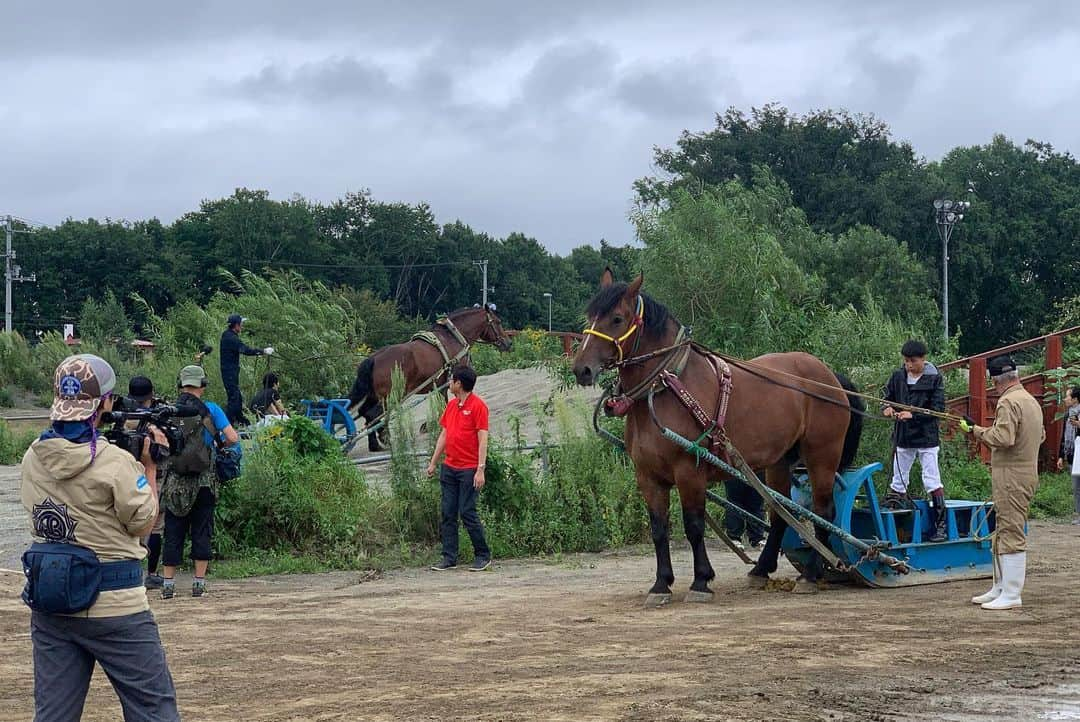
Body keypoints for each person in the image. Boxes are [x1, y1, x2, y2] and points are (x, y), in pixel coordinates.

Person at [20, 354, 179, 720]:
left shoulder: (33, 457)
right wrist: (149, 469)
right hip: (115, 606)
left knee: (54, 714)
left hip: (51, 603)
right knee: (154, 709)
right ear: (105, 403)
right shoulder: (113, 462)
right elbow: (143, 523)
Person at [960, 354, 1044, 610]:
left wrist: (975, 431)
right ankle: (1000, 586)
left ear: (995, 381)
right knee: (1003, 529)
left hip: (1011, 475)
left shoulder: (1007, 402)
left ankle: (1011, 592)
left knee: (1010, 530)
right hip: (1025, 471)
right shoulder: (1029, 400)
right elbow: (1039, 436)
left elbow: (1003, 437)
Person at [160, 365, 239, 599]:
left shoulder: (169, 411)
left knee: (173, 530)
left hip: (176, 481)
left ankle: (168, 585)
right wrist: (218, 446)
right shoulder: (211, 409)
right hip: (205, 481)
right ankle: (198, 583)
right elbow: (233, 438)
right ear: (202, 386)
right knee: (202, 529)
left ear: (180, 384)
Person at [881, 339, 949, 542]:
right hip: (903, 436)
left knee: (931, 479)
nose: (909, 365)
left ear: (923, 359)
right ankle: (894, 522)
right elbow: (886, 396)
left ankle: (941, 526)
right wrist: (887, 407)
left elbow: (938, 409)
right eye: (906, 361)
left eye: (913, 361)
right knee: (898, 478)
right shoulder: (898, 376)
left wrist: (914, 415)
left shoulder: (934, 378)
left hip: (926, 437)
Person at [425, 365, 492, 572]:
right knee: (448, 512)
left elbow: (483, 439)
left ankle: (483, 555)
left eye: (452, 380)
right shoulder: (452, 405)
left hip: (469, 469)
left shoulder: (479, 406)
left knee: (467, 511)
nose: (450, 383)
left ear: (459, 383)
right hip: (450, 466)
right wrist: (434, 462)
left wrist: (480, 469)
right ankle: (449, 557)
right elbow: (444, 435)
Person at [127, 375, 167, 589]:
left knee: (125, 524)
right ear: (151, 394)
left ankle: (129, 570)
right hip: (154, 476)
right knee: (156, 526)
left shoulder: (122, 416)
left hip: (126, 477)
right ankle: (151, 573)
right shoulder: (157, 419)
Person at [219, 314, 273, 427]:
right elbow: (245, 350)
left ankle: (243, 423)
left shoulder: (227, 335)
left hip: (230, 372)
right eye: (241, 324)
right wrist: (263, 351)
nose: (242, 327)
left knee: (237, 399)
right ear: (236, 325)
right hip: (229, 373)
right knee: (234, 400)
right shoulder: (231, 338)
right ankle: (225, 426)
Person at [1054, 386, 1080, 525]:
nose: (1065, 399)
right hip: (1072, 454)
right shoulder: (1068, 414)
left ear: (1075, 399)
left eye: (1067, 396)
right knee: (1076, 487)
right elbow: (1064, 436)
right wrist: (1060, 456)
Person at [723, 476, 765, 550]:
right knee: (735, 502)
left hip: (758, 470)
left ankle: (758, 539)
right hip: (734, 469)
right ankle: (734, 539)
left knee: (756, 501)